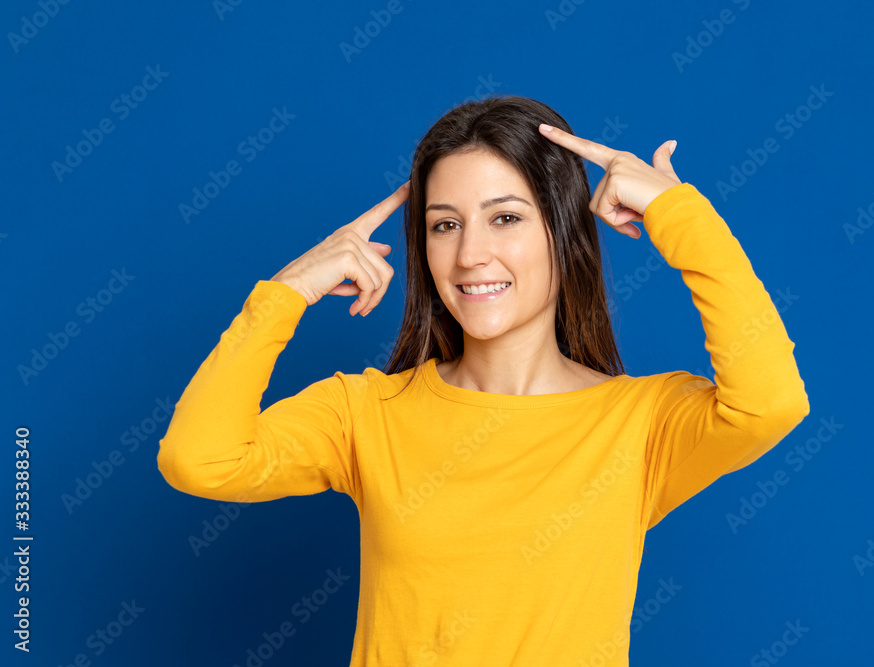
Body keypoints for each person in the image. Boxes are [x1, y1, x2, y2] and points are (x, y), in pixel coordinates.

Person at [157, 95, 809, 666]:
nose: (470, 254)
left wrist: (676, 212)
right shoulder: (367, 412)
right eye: (445, 224)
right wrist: (288, 291)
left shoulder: (639, 422)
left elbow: (770, 403)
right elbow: (200, 459)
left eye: (505, 217)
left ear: (562, 231)